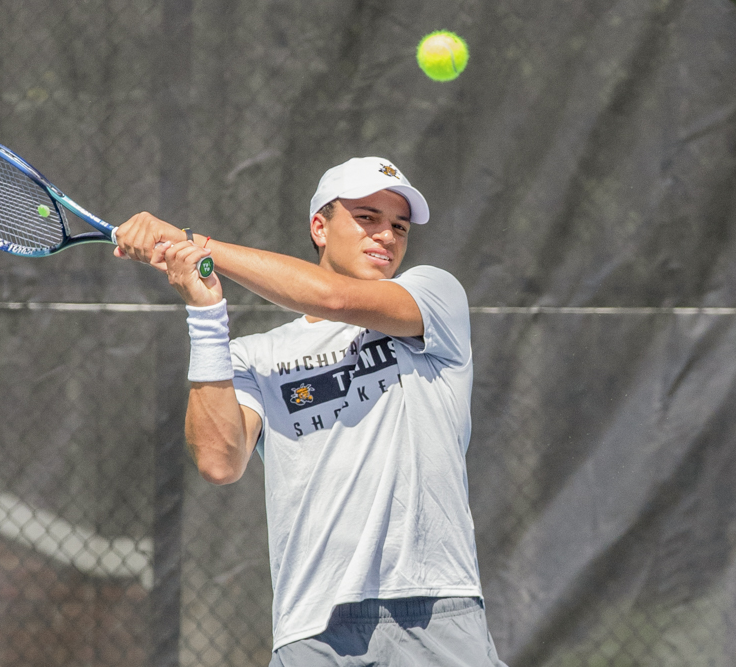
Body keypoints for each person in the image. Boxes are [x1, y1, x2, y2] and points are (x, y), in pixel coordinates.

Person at [113, 157, 506, 666]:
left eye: (399, 226)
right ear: (320, 227)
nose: (386, 235)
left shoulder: (434, 297)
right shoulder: (254, 357)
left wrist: (193, 242)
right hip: (312, 633)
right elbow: (218, 461)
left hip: (436, 611)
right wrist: (206, 314)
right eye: (367, 218)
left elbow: (334, 298)